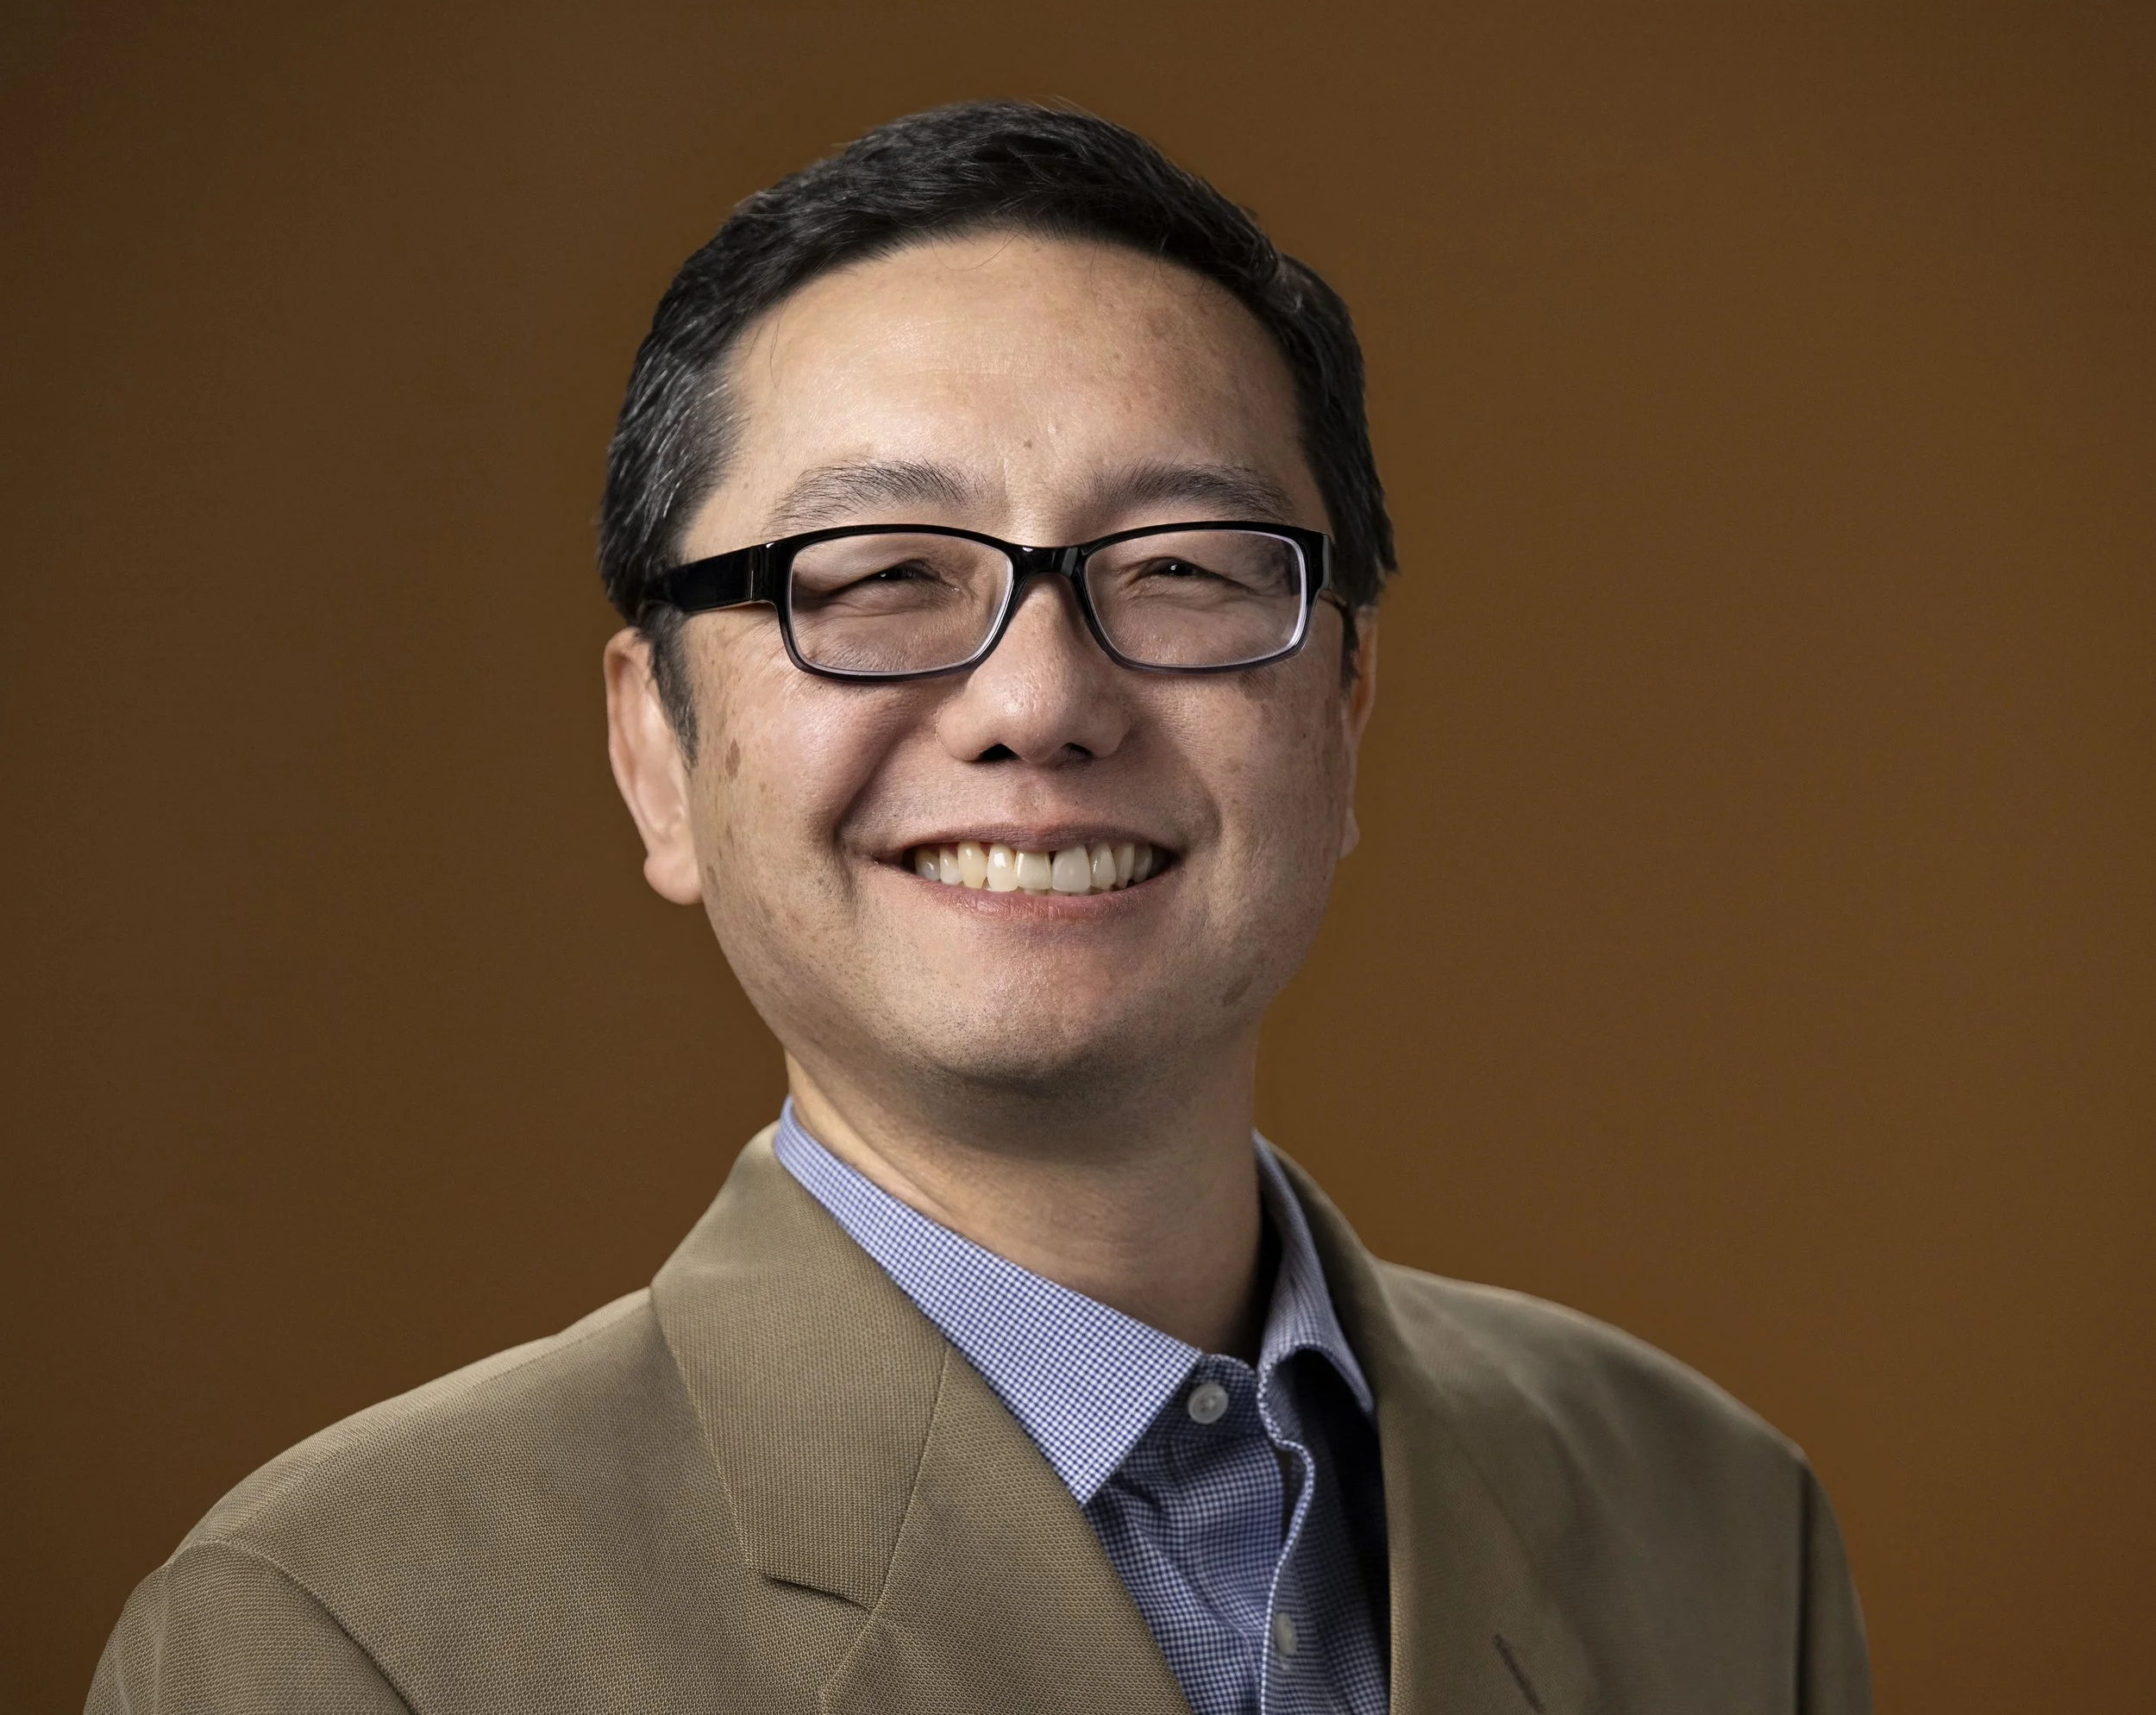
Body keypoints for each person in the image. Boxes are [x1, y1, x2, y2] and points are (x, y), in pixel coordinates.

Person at [90, 102, 1870, 1715]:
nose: (1041, 699)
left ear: (1342, 711)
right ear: (653, 749)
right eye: (873, 579)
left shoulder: (1715, 1520)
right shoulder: (339, 1630)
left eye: (1177, 569)